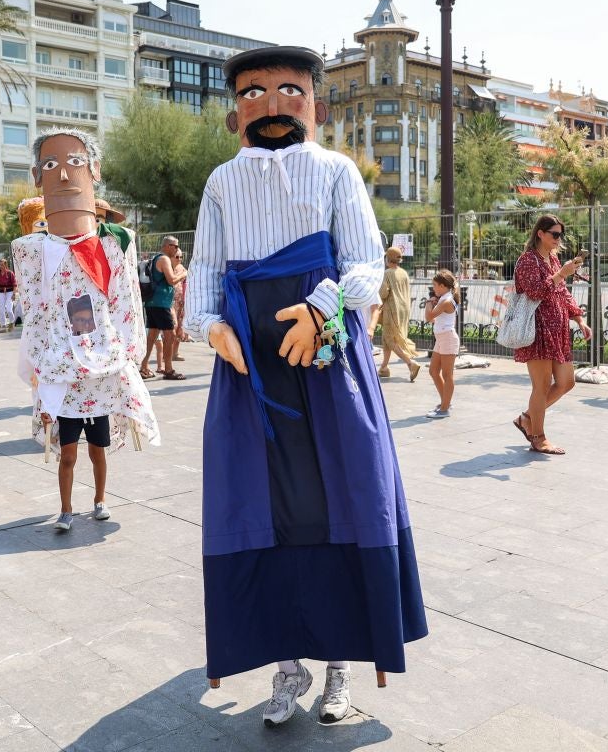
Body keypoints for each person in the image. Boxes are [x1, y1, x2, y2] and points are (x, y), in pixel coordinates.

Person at [186, 45, 426, 728]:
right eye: (254, 93)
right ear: (237, 111)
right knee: (265, 507)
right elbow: (204, 269)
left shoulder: (335, 170)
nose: (271, 104)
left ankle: (340, 665)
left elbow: (363, 260)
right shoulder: (222, 182)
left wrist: (323, 309)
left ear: (314, 105)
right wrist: (211, 329)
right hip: (250, 368)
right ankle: (286, 665)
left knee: (341, 497)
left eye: (289, 90)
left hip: (326, 361)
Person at [13, 128, 159, 532]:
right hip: (61, 369)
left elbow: (127, 303)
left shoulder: (117, 242)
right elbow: (35, 312)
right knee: (66, 452)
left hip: (102, 368)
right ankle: (64, 508)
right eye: (50, 164)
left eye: (74, 162)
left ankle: (98, 500)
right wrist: (40, 364)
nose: (63, 175)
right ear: (36, 177)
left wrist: (129, 357)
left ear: (94, 170)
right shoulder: (31, 250)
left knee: (98, 450)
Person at [512, 215, 590, 455]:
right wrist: (561, 274)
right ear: (540, 234)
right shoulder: (527, 260)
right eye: (554, 234)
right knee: (542, 385)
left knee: (567, 382)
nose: (558, 239)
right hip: (537, 330)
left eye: (560, 235)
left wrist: (578, 318)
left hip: (558, 330)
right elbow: (535, 291)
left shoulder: (554, 259)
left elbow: (562, 293)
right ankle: (538, 437)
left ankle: (527, 418)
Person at [140, 236, 188, 381]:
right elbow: (171, 280)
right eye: (175, 246)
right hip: (161, 304)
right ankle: (168, 369)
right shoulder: (164, 259)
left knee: (152, 336)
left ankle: (144, 366)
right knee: (170, 335)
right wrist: (185, 273)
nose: (177, 249)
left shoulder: (157, 258)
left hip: (153, 303)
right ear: (167, 246)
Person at [378, 246, 421, 382]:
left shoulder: (387, 273)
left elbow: (383, 293)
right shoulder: (404, 273)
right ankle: (384, 368)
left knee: (391, 339)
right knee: (387, 337)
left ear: (387, 258)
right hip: (403, 308)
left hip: (392, 308)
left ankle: (410, 363)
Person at [424, 269, 460, 418]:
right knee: (433, 371)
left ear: (443, 286)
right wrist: (432, 304)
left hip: (448, 338)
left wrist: (428, 303)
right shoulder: (444, 298)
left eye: (435, 285)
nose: (433, 289)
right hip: (441, 338)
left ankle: (444, 409)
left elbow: (428, 317)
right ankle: (445, 402)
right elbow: (434, 320)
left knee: (447, 374)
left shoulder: (446, 300)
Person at [169, 248, 189, 363]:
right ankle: (167, 353)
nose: (180, 259)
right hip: (171, 303)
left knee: (179, 328)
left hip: (181, 302)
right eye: (177, 257)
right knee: (171, 328)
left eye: (181, 257)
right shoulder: (168, 267)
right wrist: (183, 275)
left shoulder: (181, 268)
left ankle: (175, 353)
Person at [0, 258, 17, 332]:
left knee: (9, 309)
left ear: (5, 265)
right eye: (0, 265)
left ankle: (12, 322)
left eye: (2, 265)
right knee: (1, 309)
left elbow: (14, 284)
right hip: (1, 292)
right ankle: (3, 325)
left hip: (10, 292)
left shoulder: (10, 273)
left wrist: (14, 294)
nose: (1, 266)